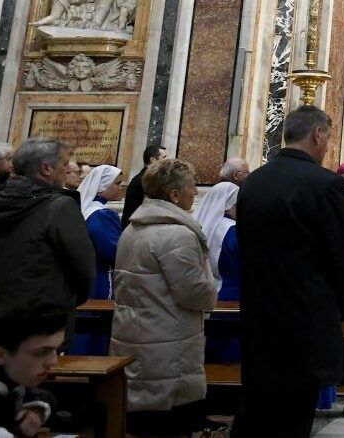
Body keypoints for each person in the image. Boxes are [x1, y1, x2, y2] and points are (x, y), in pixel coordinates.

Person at [234, 106, 344, 436]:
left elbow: (244, 246)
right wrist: (337, 308)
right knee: (294, 415)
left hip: (258, 315)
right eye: (328, 137)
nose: (327, 145)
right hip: (305, 317)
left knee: (257, 410)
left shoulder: (253, 182)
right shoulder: (326, 185)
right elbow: (343, 258)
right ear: (317, 134)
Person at [110, 159, 221, 436]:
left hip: (136, 331)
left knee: (143, 416)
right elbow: (194, 292)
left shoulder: (133, 229)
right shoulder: (177, 234)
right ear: (174, 194)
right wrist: (210, 291)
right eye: (191, 186)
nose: (195, 192)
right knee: (169, 418)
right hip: (168, 342)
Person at [0, 138, 95, 310]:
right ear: (46, 169)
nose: (67, 169)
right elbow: (83, 267)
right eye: (65, 164)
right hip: (43, 313)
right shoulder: (60, 207)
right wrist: (63, 302)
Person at [67, 165, 124, 356]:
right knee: (96, 331)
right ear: (102, 186)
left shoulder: (87, 209)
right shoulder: (102, 215)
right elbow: (115, 251)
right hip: (101, 279)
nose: (120, 188)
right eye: (117, 184)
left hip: (87, 275)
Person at [0, 300, 69, 438]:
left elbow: (43, 394)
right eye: (42, 352)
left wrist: (37, 410)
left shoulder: (14, 374)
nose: (54, 362)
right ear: (0, 355)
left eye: (56, 349)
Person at [193, 182, 243, 363]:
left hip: (213, 287)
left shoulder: (204, 225)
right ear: (229, 205)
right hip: (232, 292)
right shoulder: (232, 231)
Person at [120, 145, 167, 228]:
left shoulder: (148, 178)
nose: (167, 161)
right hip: (135, 228)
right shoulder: (145, 180)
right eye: (164, 157)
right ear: (153, 160)